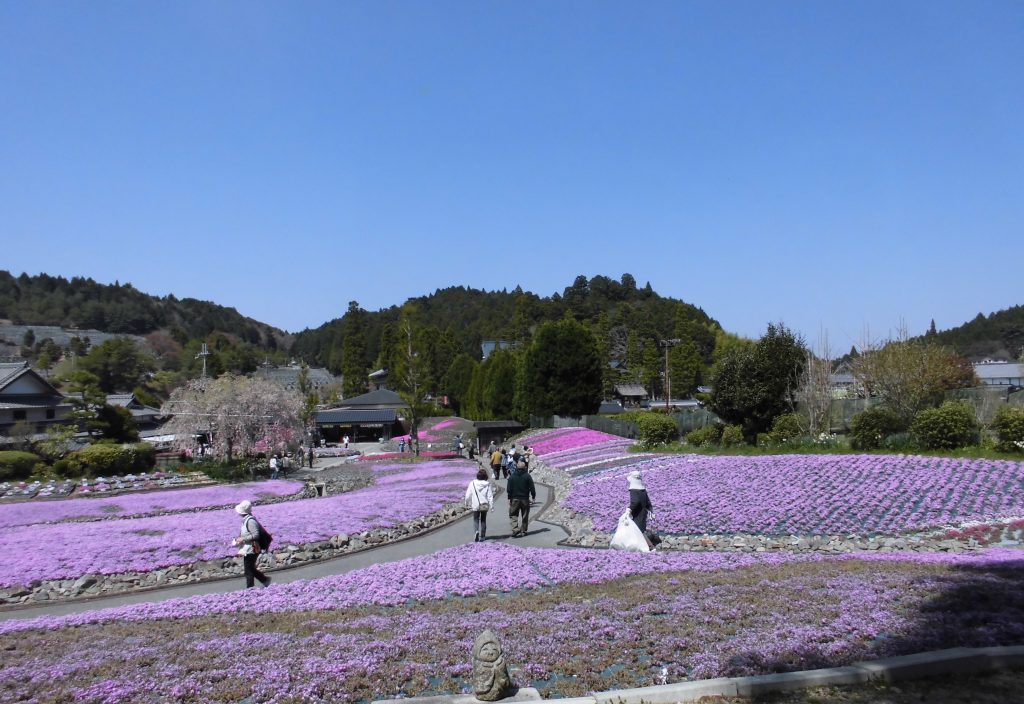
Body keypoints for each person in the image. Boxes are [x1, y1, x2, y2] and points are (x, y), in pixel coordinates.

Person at [232, 500, 271, 588]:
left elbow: (256, 535)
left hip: (252, 548)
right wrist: (240, 539)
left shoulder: (250, 521)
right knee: (250, 569)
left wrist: (243, 539)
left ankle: (250, 590)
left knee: (248, 571)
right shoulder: (246, 520)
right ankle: (264, 580)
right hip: (248, 548)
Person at [464, 468, 494, 542]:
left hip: (476, 504)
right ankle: (483, 536)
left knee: (476, 519)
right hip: (484, 504)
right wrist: (492, 506)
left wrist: (466, 502)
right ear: (485, 476)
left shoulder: (472, 483)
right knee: (483, 520)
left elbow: (468, 494)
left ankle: (476, 531)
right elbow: (490, 496)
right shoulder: (487, 484)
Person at [507, 460, 536, 537]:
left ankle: (515, 529)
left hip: (514, 498)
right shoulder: (527, 476)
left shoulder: (512, 476)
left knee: (513, 514)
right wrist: (533, 496)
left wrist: (509, 498)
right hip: (525, 498)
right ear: (524, 467)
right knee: (525, 514)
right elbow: (532, 487)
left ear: (516, 467)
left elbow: (509, 488)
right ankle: (523, 530)